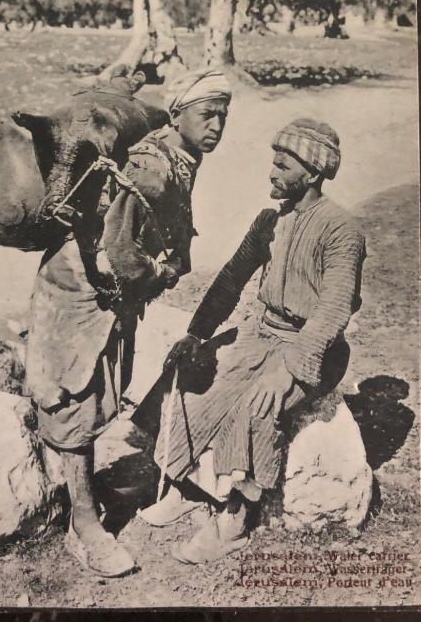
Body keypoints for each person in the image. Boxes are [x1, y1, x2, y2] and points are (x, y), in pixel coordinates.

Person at [24, 70, 232, 577]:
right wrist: (159, 272)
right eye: (208, 114)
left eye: (224, 115)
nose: (217, 125)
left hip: (106, 295)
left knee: (101, 397)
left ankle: (85, 495)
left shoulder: (181, 157)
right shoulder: (151, 167)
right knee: (76, 398)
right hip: (77, 291)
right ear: (178, 113)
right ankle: (84, 525)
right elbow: (119, 249)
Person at [139, 118, 366, 565]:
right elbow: (230, 280)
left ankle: (232, 520)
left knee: (255, 407)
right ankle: (186, 486)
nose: (272, 172)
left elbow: (334, 308)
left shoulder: (342, 231)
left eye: (283, 165)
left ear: (313, 174)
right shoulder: (269, 221)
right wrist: (196, 333)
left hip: (312, 349)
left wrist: (288, 370)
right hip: (259, 332)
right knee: (195, 378)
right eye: (273, 162)